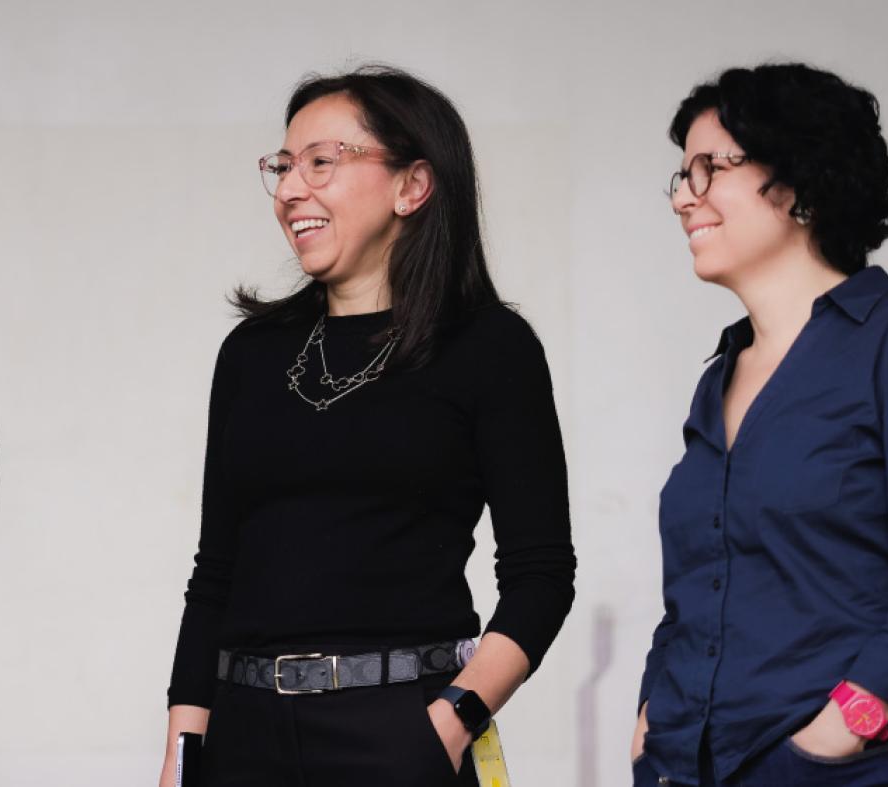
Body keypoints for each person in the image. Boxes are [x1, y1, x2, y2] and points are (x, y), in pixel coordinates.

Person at [159, 66, 576, 787]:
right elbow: (215, 574)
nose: (291, 189)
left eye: (321, 162)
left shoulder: (489, 347)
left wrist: (447, 725)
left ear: (413, 185)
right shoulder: (251, 355)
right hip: (243, 732)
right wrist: (184, 752)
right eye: (284, 166)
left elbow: (542, 576)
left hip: (399, 728)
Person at [632, 63, 888, 786]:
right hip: (686, 766)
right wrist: (652, 722)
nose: (685, 197)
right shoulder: (720, 375)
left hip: (851, 770)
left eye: (709, 168)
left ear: (799, 182)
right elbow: (699, 590)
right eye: (681, 176)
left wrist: (838, 735)